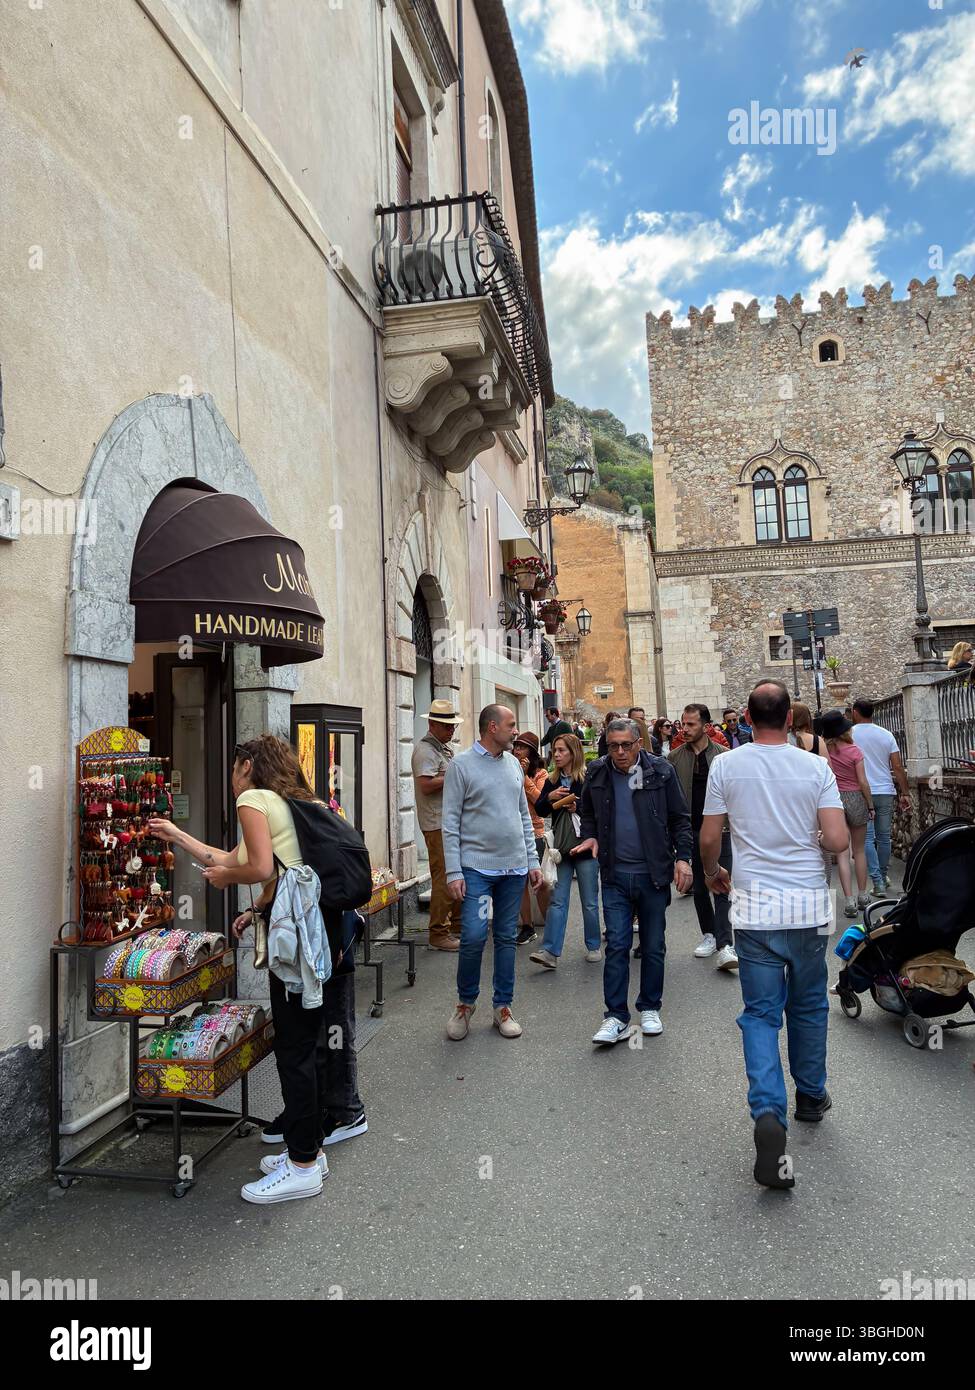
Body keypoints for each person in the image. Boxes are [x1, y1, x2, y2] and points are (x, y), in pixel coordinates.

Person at [151, 735, 364, 1204]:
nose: (231, 777)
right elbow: (245, 861)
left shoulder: (252, 798)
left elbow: (252, 867)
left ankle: (303, 1163)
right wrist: (177, 836)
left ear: (247, 765)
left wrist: (228, 881)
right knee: (303, 1039)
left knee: (294, 1046)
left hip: (297, 941)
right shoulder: (288, 801)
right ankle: (308, 1150)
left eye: (233, 766)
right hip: (317, 932)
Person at [699, 681, 848, 1191]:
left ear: (746, 717)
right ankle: (811, 1095)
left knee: (760, 1014)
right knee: (808, 1005)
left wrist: (715, 871)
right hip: (806, 907)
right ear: (789, 720)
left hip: (755, 909)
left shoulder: (726, 765)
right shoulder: (814, 767)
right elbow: (835, 838)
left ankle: (768, 1109)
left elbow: (709, 836)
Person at [575, 718, 693, 1045]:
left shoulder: (661, 771)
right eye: (614, 746)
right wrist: (591, 837)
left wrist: (683, 858)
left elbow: (680, 819)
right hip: (614, 875)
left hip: (653, 875)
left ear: (639, 742)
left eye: (627, 745)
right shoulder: (598, 771)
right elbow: (588, 813)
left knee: (653, 945)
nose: (621, 752)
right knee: (617, 945)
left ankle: (650, 1007)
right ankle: (615, 1017)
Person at [442, 704, 543, 1041]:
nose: (516, 731)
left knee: (504, 938)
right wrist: (454, 872)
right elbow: (450, 823)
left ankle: (502, 1006)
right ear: (491, 727)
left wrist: (532, 862)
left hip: (513, 871)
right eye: (511, 725)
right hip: (478, 872)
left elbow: (523, 817)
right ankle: (465, 1004)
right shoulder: (461, 765)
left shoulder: (514, 764)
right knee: (472, 935)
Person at [668, 705, 738, 971]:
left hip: (721, 829)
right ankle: (708, 933)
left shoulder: (724, 756)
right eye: (683, 724)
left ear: (707, 726)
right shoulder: (674, 758)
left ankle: (725, 943)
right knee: (699, 885)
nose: (684, 729)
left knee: (722, 882)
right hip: (690, 828)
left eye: (691, 725)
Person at [529, 733, 602, 968]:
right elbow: (540, 810)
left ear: (573, 753)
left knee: (589, 900)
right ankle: (550, 951)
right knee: (558, 900)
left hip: (584, 846)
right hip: (561, 848)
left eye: (562, 751)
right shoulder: (552, 780)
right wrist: (550, 797)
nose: (557, 755)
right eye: (555, 751)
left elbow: (600, 808)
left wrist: (576, 805)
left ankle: (593, 945)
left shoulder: (587, 778)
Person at [411, 700, 464, 952]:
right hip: (436, 823)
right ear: (432, 724)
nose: (451, 730)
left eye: (452, 725)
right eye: (446, 726)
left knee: (454, 873)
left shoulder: (441, 748)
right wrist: (452, 774)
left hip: (446, 821)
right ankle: (439, 932)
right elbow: (425, 785)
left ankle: (456, 925)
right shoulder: (425, 750)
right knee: (443, 878)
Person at [851, 698, 911, 897]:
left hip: (861, 791)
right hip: (885, 790)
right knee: (884, 837)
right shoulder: (887, 735)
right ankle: (884, 876)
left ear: (855, 712)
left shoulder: (849, 735)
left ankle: (877, 881)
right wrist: (905, 792)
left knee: (867, 838)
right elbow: (897, 766)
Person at [822, 709, 875, 917]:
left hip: (834, 798)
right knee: (859, 850)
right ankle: (863, 895)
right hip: (855, 797)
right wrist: (870, 805)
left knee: (842, 853)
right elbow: (863, 781)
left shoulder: (826, 751)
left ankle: (849, 900)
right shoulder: (854, 750)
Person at [512, 730, 551, 944]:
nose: (518, 750)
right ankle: (527, 926)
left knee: (538, 880)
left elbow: (541, 802)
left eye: (523, 747)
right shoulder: (508, 766)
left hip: (534, 830)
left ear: (532, 752)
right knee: (520, 881)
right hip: (513, 830)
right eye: (516, 746)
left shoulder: (541, 774)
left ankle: (550, 924)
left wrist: (525, 777)